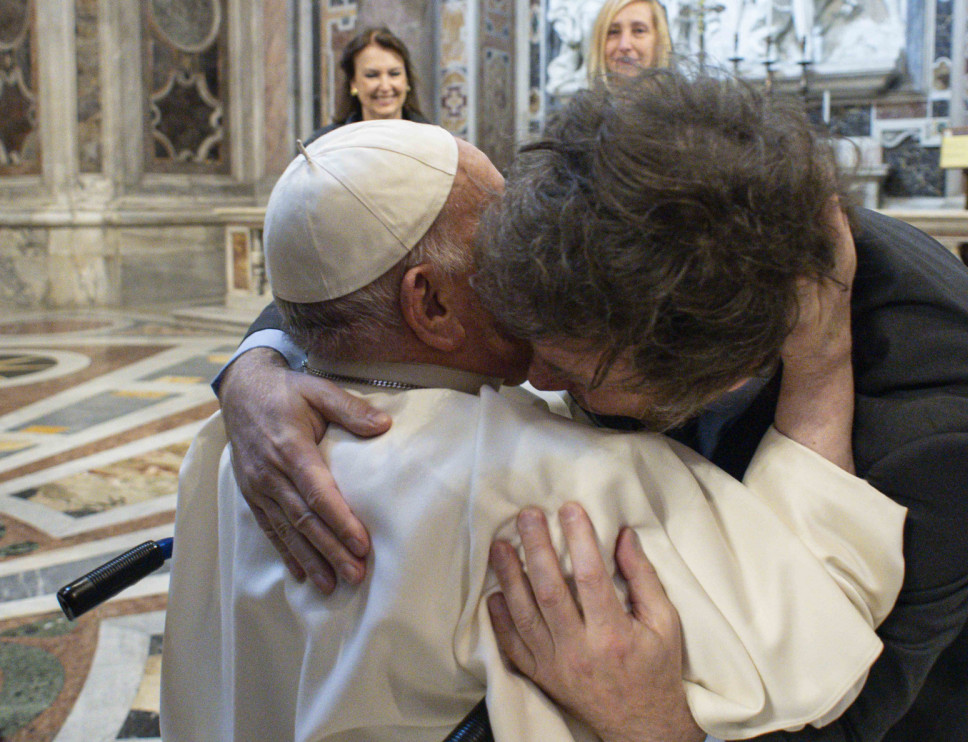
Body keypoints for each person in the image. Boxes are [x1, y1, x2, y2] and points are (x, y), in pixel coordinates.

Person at [216, 69, 968, 741]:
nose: (534, 379)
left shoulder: (946, 423)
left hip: (958, 663)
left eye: (574, 375)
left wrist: (651, 722)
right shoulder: (621, 214)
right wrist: (259, 365)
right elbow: (365, 266)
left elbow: (845, 713)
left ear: (710, 366)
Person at [163, 119, 906, 741]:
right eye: (502, 233)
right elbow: (817, 608)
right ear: (433, 306)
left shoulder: (229, 452)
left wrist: (255, 360)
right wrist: (820, 361)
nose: (539, 244)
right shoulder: (553, 482)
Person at [304, 26, 429, 146]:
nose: (385, 87)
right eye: (372, 75)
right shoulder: (321, 147)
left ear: (407, 80)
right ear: (353, 83)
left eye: (394, 74)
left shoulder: (436, 142)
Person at [586, 0, 673, 82]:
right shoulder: (581, 95)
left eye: (639, 31)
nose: (624, 45)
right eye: (613, 32)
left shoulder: (683, 95)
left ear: (659, 39)